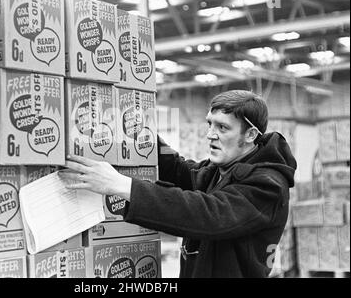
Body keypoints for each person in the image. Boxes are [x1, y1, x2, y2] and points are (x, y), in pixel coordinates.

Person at [59, 90, 297, 278]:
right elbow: (178, 168)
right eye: (210, 124)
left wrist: (121, 185)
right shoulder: (219, 171)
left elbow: (208, 214)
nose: (210, 135)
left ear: (250, 135)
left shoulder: (268, 185)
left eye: (222, 127)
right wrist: (136, 129)